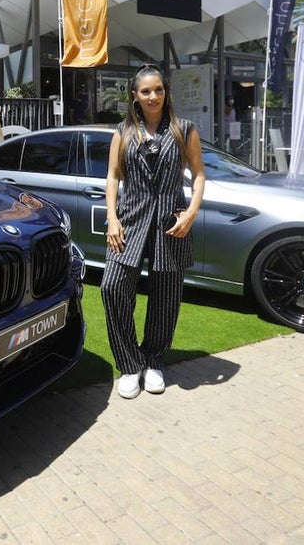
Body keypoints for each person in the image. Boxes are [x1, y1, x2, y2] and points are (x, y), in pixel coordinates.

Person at [100, 65, 206, 399]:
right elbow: (113, 176)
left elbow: (199, 174)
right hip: (129, 221)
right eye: (146, 91)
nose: (153, 96)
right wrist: (112, 218)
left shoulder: (183, 129)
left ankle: (154, 360)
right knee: (112, 288)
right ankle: (130, 364)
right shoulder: (123, 131)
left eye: (158, 90)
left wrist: (191, 212)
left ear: (165, 92)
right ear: (134, 95)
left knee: (165, 297)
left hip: (170, 223)